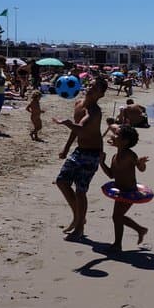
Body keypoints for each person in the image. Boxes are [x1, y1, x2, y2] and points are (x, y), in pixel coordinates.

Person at [53, 77, 107, 240]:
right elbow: (76, 130)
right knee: (62, 181)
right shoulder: (78, 103)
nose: (90, 88)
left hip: (92, 153)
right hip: (79, 150)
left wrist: (67, 123)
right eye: (90, 85)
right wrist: (66, 147)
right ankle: (78, 217)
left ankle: (79, 227)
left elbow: (81, 128)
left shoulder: (95, 111)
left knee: (80, 191)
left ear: (101, 95)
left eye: (95, 88)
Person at [102, 125, 149, 251]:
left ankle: (118, 244)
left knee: (117, 216)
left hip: (130, 192)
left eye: (116, 134)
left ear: (125, 141)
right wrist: (102, 162)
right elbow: (111, 174)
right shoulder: (114, 157)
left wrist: (141, 163)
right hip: (120, 191)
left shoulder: (130, 155)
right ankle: (140, 229)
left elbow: (141, 169)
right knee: (117, 216)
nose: (113, 135)